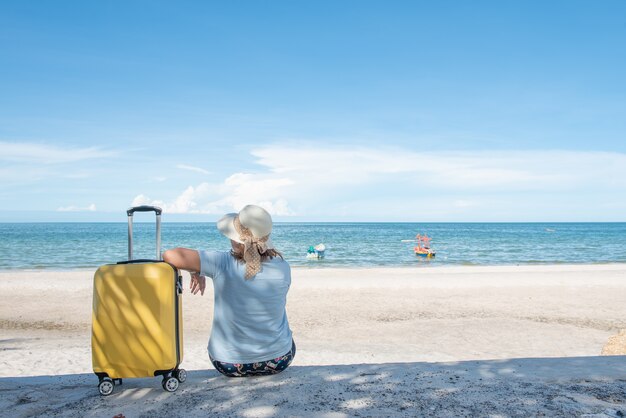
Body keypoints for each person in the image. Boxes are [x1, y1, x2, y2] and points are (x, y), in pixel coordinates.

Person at [162, 204, 295, 377]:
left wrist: (195, 270)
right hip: (279, 360)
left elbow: (170, 255)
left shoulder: (222, 262)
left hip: (228, 363)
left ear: (236, 238)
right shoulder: (283, 267)